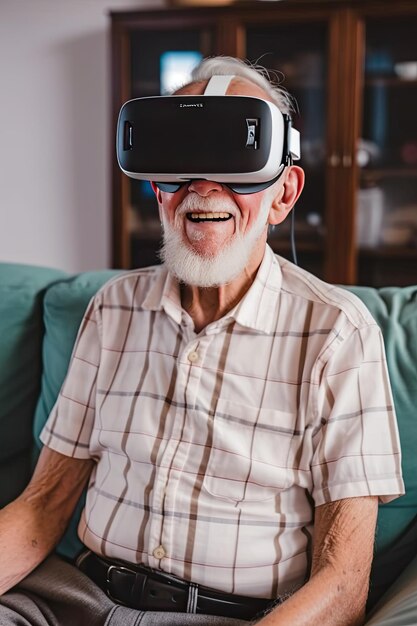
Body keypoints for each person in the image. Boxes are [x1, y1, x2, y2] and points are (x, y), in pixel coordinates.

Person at [0, 56, 404, 626]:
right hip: (71, 600)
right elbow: (41, 510)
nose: (204, 188)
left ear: (283, 194)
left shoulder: (338, 332)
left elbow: (342, 583)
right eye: (182, 163)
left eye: (233, 162)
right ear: (158, 190)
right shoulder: (112, 309)